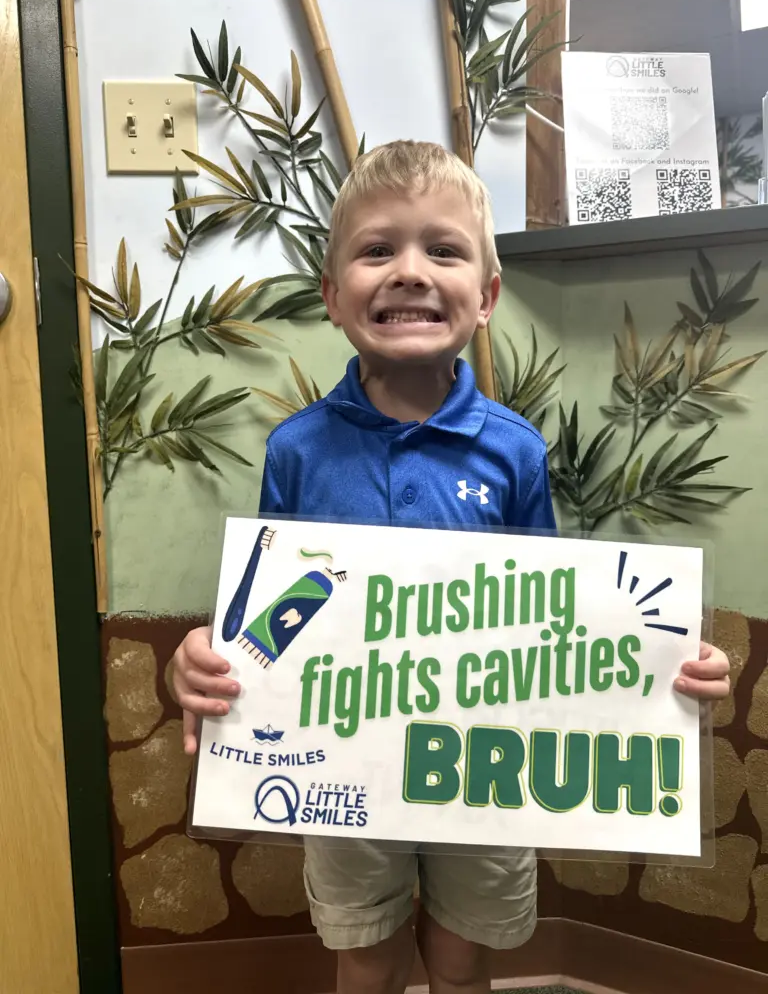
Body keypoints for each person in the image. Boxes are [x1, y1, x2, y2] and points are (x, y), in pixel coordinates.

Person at [173, 140, 731, 994]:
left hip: (482, 759)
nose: (409, 271)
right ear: (332, 296)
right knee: (365, 960)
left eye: (442, 249)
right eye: (376, 250)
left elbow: (557, 619)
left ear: (487, 296)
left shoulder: (515, 451)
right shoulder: (296, 450)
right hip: (343, 766)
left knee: (464, 960)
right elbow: (269, 613)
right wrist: (206, 658)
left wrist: (662, 670)